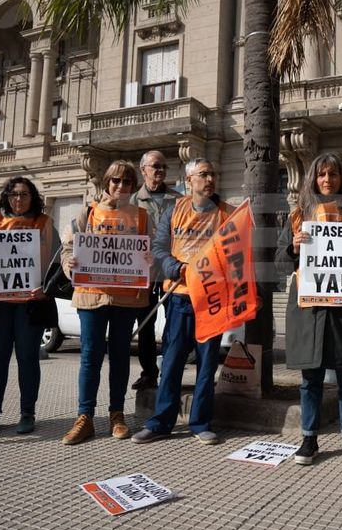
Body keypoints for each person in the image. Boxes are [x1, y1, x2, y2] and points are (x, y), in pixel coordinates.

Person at [275, 153, 342, 469]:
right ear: (313, 179)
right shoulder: (299, 215)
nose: (327, 180)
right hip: (310, 313)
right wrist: (293, 248)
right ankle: (309, 438)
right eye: (321, 175)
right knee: (310, 379)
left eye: (333, 174)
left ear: (341, 178)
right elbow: (281, 264)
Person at [131, 158, 232, 446]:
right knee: (173, 362)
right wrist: (177, 269)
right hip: (179, 298)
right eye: (204, 174)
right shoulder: (174, 211)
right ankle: (161, 422)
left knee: (207, 363)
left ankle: (201, 423)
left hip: (212, 300)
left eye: (213, 173)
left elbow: (238, 253)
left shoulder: (226, 214)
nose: (210, 179)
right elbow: (160, 248)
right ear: (189, 181)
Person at [60, 160, 149, 445]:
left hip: (125, 297)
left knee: (121, 356)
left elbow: (154, 251)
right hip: (91, 295)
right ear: (106, 183)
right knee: (90, 356)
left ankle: (117, 414)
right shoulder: (86, 214)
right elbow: (68, 249)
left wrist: (151, 261)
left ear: (133, 186)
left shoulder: (142, 216)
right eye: (115, 181)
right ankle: (84, 417)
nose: (120, 187)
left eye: (126, 182)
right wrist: (69, 264)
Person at [0, 177, 59, 436]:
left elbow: (58, 262)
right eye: (14, 194)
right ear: (7, 197)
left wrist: (46, 289)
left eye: (25, 194)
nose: (19, 199)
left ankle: (27, 413)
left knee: (28, 359)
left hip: (31, 304)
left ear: (33, 198)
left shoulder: (45, 224)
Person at [130, 150, 181, 390]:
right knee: (145, 326)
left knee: (174, 324)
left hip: (173, 272)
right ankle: (149, 373)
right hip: (145, 274)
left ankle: (171, 372)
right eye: (154, 166)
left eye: (163, 166)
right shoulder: (132, 201)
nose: (159, 170)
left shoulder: (179, 200)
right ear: (143, 170)